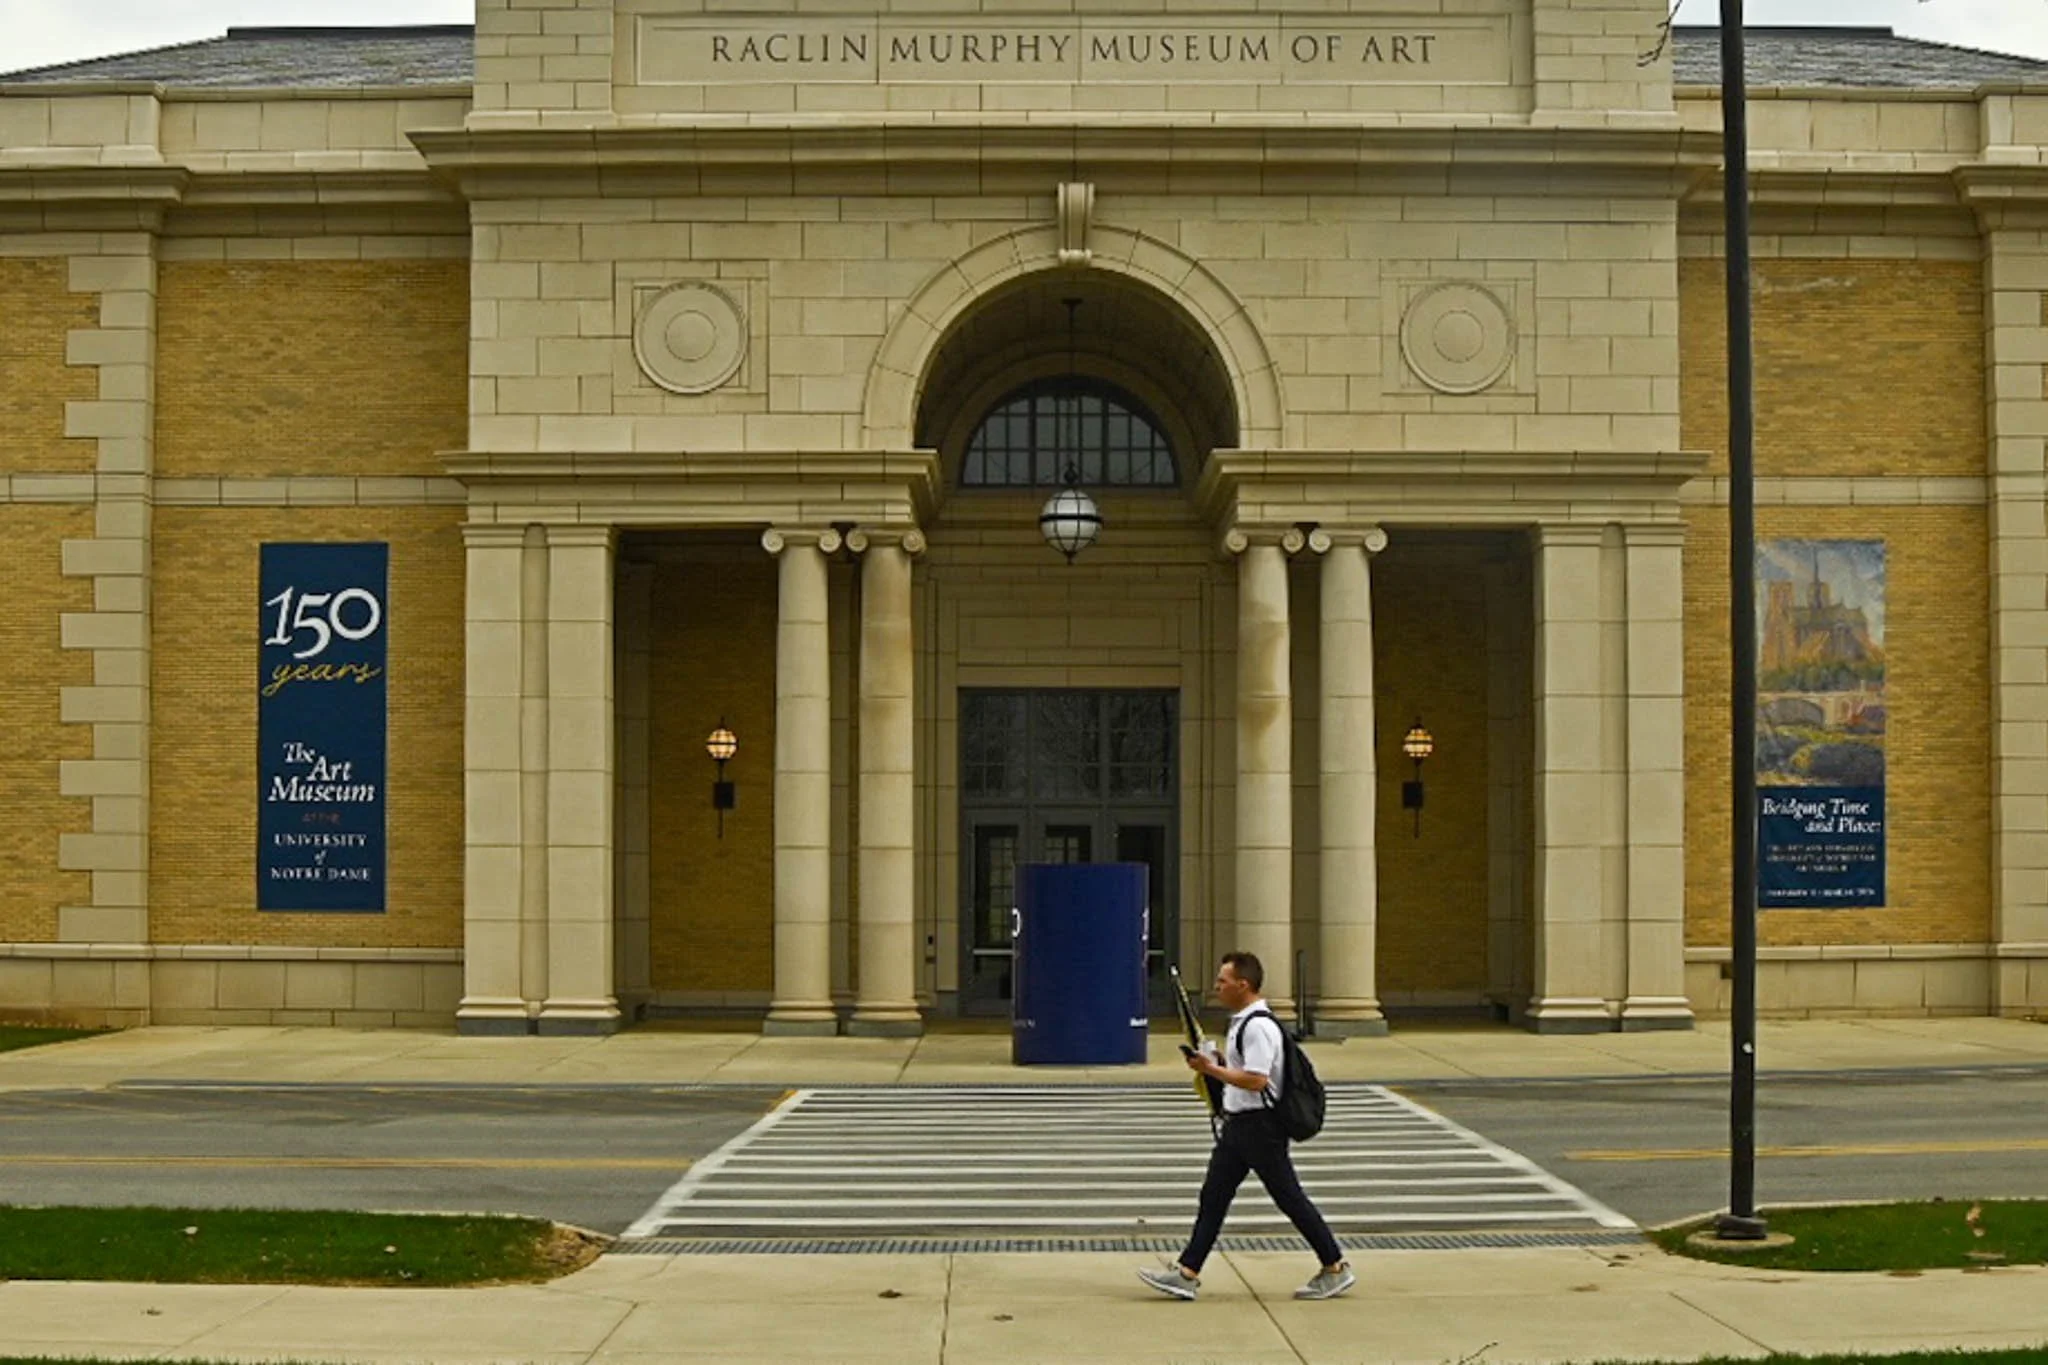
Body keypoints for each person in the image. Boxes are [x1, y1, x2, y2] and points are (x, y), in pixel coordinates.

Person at [1137, 951, 1354, 1302]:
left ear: (1243, 984)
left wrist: (1211, 1071)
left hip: (1259, 1128)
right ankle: (1187, 1272)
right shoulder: (1245, 1022)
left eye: (1223, 981)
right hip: (1241, 1127)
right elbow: (1246, 1071)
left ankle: (1335, 1266)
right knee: (1214, 1196)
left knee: (1289, 1198)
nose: (1217, 987)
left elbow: (1256, 1080)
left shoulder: (1258, 1027)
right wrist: (1220, 1063)